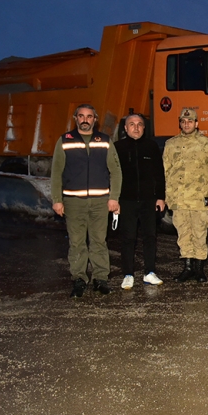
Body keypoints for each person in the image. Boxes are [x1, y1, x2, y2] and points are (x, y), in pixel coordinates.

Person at [51, 104, 122, 298]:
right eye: (81, 116)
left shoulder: (105, 141)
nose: (85, 120)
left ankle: (101, 279)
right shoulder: (65, 141)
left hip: (100, 202)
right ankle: (79, 280)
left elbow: (116, 171)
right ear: (75, 118)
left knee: (99, 241)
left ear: (95, 119)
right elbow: (56, 172)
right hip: (74, 202)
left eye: (89, 117)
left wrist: (114, 198)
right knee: (77, 243)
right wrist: (57, 200)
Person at [162, 108, 208, 283]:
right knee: (183, 234)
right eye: (183, 121)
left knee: (200, 233)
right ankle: (187, 267)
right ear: (180, 123)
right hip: (179, 198)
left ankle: (199, 269)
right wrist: (167, 197)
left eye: (190, 121)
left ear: (196, 123)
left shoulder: (206, 143)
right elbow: (166, 172)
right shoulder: (171, 144)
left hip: (199, 198)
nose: (186, 124)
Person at [114, 113, 166, 290]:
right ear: (125, 128)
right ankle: (128, 274)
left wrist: (160, 197)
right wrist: (114, 200)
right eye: (131, 124)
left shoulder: (151, 147)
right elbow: (111, 175)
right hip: (126, 201)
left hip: (148, 201)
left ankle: (149, 272)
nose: (136, 127)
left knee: (150, 237)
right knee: (128, 238)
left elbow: (159, 173)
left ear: (144, 128)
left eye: (139, 124)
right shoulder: (117, 148)